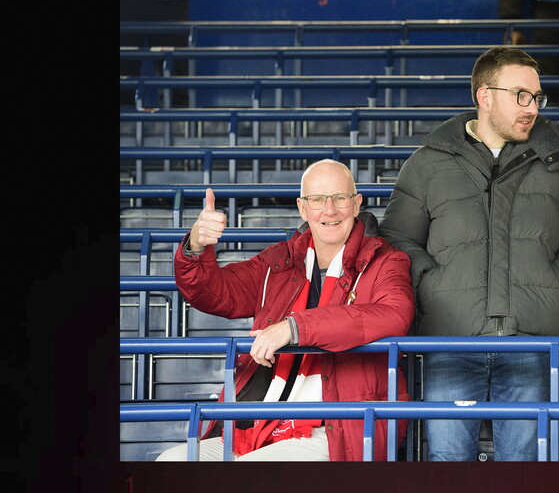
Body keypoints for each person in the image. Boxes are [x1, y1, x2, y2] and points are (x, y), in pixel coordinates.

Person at [379, 46, 559, 461]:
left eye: (536, 97)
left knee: (523, 469)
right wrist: (432, 286)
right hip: (450, 339)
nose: (531, 107)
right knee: (448, 466)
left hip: (532, 340)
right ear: (484, 96)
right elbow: (397, 240)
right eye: (520, 95)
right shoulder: (428, 163)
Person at [156, 159, 414, 461]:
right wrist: (196, 247)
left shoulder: (385, 260)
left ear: (356, 204)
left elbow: (394, 315)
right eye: (317, 200)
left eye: (340, 198)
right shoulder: (279, 261)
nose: (329, 210)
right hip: (258, 425)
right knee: (170, 462)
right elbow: (216, 294)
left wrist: (294, 327)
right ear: (302, 208)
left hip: (339, 427)